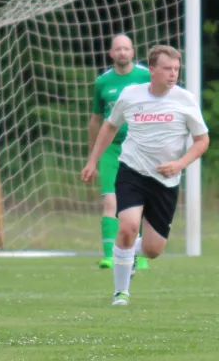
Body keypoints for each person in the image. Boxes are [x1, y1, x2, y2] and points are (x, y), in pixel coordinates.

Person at [81, 45, 210, 306]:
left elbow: (202, 140)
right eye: (167, 69)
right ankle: (121, 293)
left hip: (166, 179)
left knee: (153, 250)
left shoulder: (185, 99)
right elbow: (108, 126)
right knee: (127, 227)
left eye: (176, 69)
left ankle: (125, 257)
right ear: (152, 70)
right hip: (132, 170)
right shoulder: (131, 95)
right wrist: (93, 160)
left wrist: (180, 164)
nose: (173, 74)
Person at [89, 34, 150, 271]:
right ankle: (108, 255)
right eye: (118, 49)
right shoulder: (102, 82)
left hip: (139, 145)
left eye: (126, 48)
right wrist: (92, 157)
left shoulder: (145, 76)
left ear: (133, 52)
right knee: (110, 200)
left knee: (139, 202)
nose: (122, 53)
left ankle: (142, 254)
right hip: (110, 149)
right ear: (111, 54)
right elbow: (95, 120)